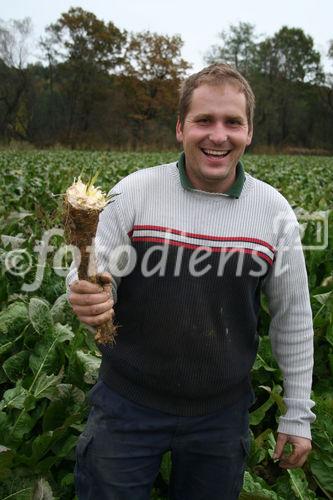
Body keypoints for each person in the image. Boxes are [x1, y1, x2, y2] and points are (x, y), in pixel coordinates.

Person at [67, 63, 315, 500]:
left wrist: (297, 414)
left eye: (232, 122)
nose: (218, 136)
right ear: (181, 128)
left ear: (249, 132)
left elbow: (293, 320)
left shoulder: (273, 211)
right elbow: (97, 264)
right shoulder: (136, 192)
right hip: (127, 405)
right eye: (204, 120)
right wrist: (90, 291)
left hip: (220, 416)